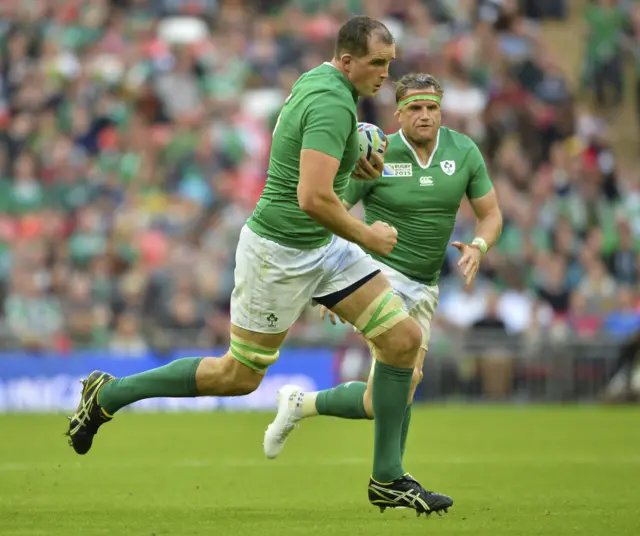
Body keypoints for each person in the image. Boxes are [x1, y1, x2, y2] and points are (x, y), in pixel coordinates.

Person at [65, 17, 453, 516]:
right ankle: (109, 393)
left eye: (390, 62)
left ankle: (388, 479)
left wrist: (353, 151)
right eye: (377, 63)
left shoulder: (322, 81)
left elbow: (311, 163)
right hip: (279, 253)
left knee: (402, 340)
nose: (385, 73)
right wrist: (370, 235)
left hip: (322, 247)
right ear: (349, 60)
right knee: (238, 376)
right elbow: (312, 197)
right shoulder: (332, 102)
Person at [262, 72, 503, 475]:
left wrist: (479, 246)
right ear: (399, 113)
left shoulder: (464, 152)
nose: (425, 116)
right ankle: (392, 477)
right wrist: (337, 282)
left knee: (387, 397)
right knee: (402, 381)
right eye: (415, 108)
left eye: (432, 108)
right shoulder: (377, 153)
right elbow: (332, 210)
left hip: (426, 285)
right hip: (378, 277)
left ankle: (302, 404)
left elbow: (491, 213)